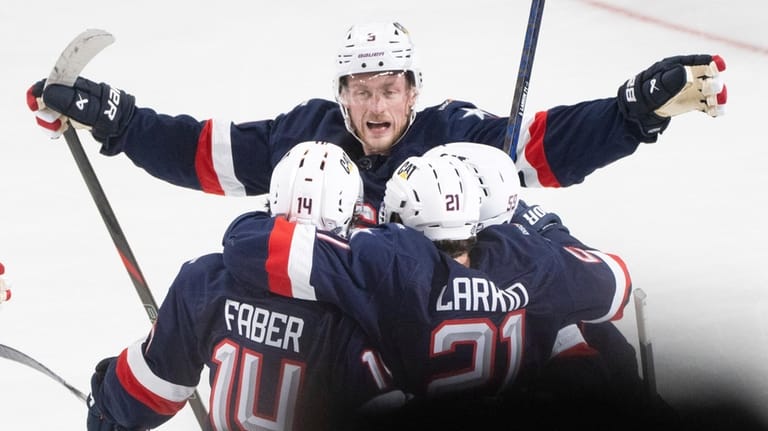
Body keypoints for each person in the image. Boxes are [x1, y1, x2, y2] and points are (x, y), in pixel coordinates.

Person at [26, 22, 727, 228]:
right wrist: (117, 119)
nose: (376, 105)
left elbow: (546, 149)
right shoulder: (305, 131)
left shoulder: (454, 130)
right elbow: (199, 153)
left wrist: (634, 110)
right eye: (362, 90)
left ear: (414, 91)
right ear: (342, 94)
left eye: (390, 87)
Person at [223, 144, 653, 428]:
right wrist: (542, 229)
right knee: (571, 338)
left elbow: (251, 246)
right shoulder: (532, 262)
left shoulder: (388, 264)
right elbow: (616, 283)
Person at [86, 142, 405, 431]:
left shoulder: (206, 278)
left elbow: (147, 392)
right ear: (353, 214)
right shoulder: (364, 308)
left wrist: (106, 403)